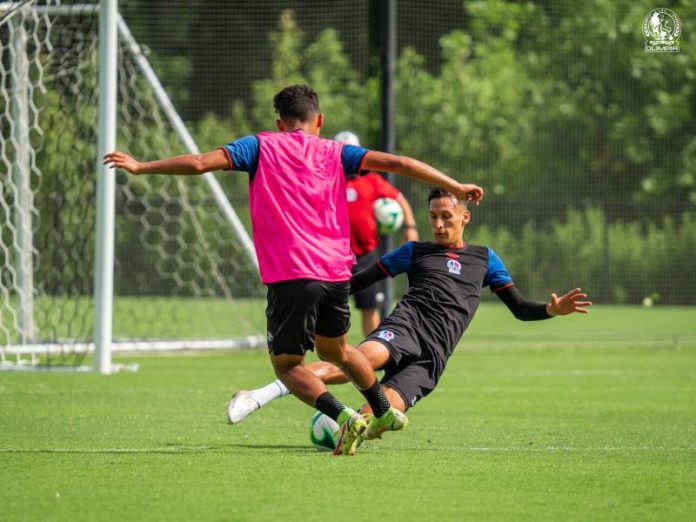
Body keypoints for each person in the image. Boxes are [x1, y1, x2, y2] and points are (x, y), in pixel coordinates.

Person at [103, 85, 484, 455]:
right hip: (337, 273)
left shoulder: (259, 145)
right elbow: (398, 164)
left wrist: (141, 166)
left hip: (292, 274)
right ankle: (383, 411)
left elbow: (201, 164)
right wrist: (454, 184)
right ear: (319, 120)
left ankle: (344, 415)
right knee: (338, 350)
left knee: (288, 366)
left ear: (280, 122)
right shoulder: (336, 151)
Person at [226, 186, 591, 438]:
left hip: (433, 357)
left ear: (465, 217)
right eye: (432, 216)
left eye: (446, 216)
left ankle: (335, 432)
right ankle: (259, 394)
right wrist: (308, 293)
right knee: (355, 360)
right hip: (406, 327)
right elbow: (356, 281)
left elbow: (520, 309)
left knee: (371, 423)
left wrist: (550, 309)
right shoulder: (414, 252)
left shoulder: (484, 258)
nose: (438, 224)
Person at [334, 131, 419, 337]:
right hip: (334, 260)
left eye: (351, 152)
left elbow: (399, 198)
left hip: (365, 257)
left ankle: (372, 357)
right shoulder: (327, 182)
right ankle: (339, 359)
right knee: (335, 312)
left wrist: (410, 226)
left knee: (370, 308)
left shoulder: (372, 180)